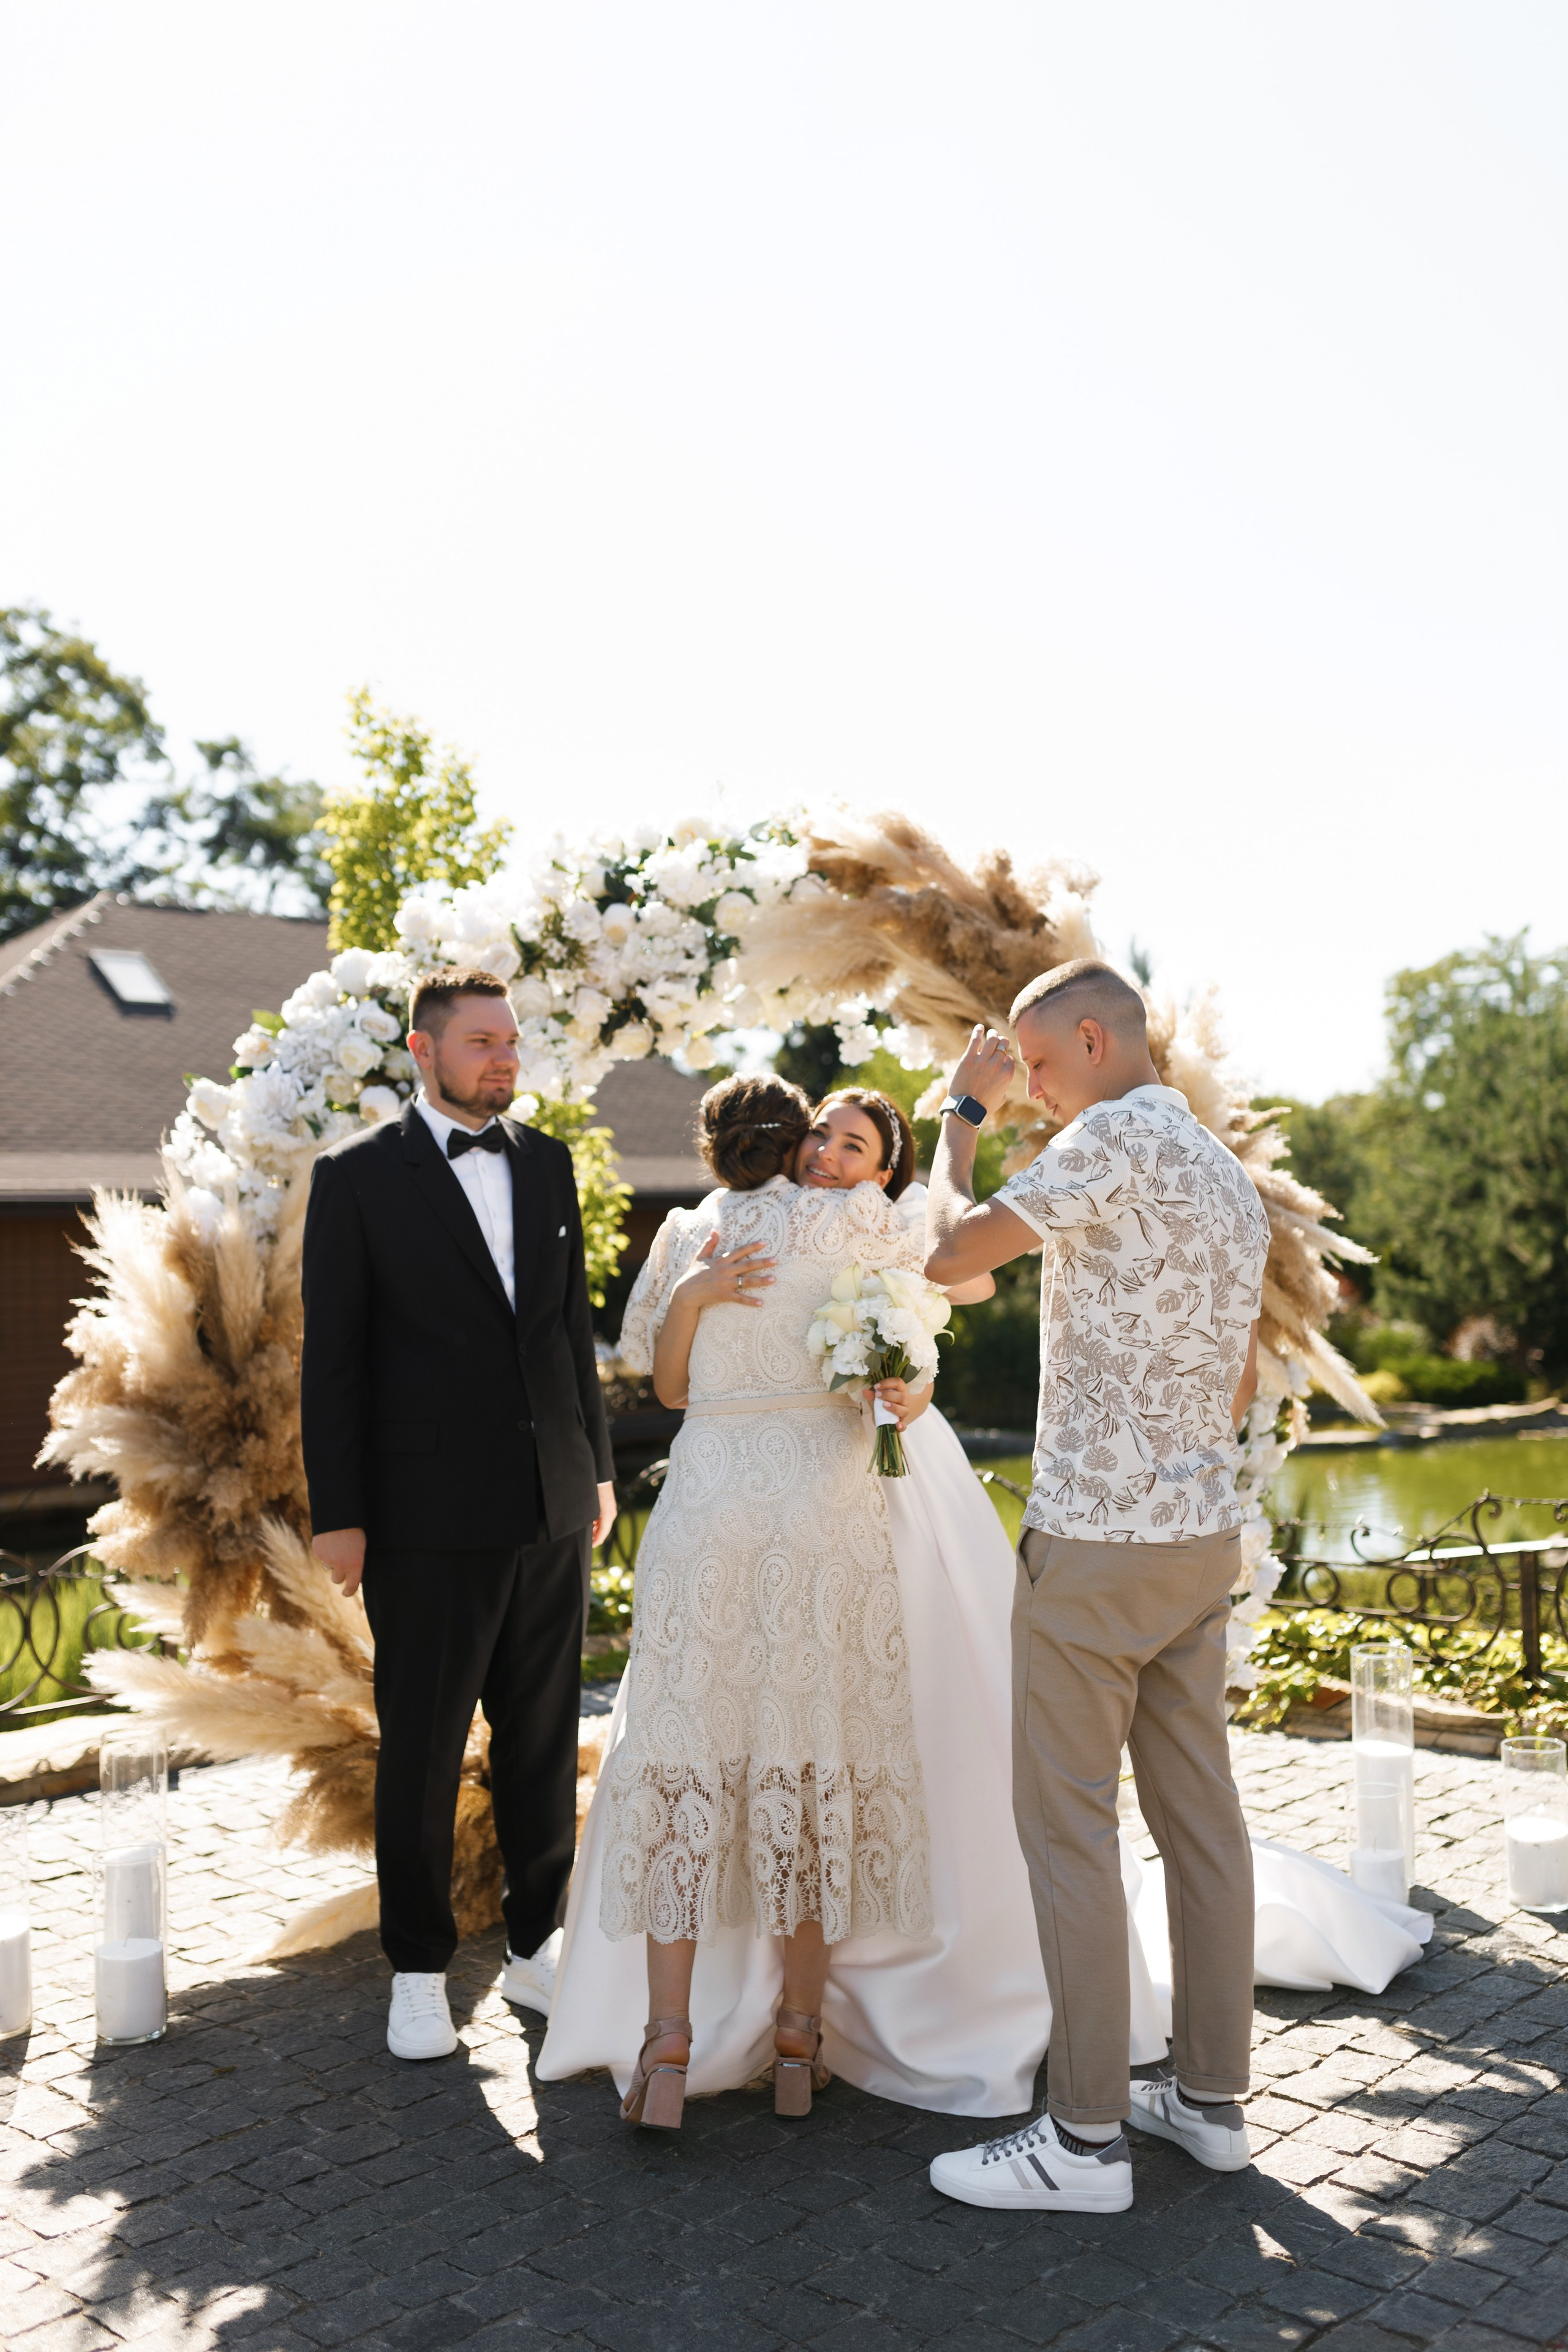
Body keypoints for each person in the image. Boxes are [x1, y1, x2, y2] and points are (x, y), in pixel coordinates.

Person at [921, 958, 1272, 2213]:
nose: (1024, 1090)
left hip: (1096, 1548)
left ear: (1086, 1036)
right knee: (1202, 1825)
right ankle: (1212, 2104)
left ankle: (1078, 2143)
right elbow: (1231, 1381)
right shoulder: (1224, 1176)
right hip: (1195, 1538)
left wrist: (952, 1122)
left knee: (1066, 1829)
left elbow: (949, 1253)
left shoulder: (1109, 1138)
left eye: (1030, 1064)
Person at [538, 1073, 935, 2128]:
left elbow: (663, 1390)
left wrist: (699, 1300)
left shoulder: (687, 1236)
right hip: (822, 1512)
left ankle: (666, 2047)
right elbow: (921, 1325)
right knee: (807, 1762)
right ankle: (799, 2042)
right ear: (801, 1139)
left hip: (711, 1505)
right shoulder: (852, 1215)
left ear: (713, 1147)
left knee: (683, 1763)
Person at [300, 968, 615, 2063]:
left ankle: (538, 1946)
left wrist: (599, 1473)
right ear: (425, 1051)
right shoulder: (355, 1179)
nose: (505, 1059)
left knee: (541, 1744)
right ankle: (420, 1971)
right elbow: (332, 1363)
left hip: (551, 1507)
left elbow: (571, 1333)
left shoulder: (549, 1163)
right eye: (483, 1041)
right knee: (425, 1752)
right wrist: (340, 1514)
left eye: (513, 1043)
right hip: (423, 1520)